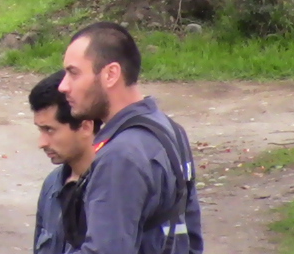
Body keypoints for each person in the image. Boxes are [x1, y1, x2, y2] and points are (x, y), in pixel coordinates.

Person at [58, 22, 204, 254]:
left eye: (73, 73)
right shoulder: (172, 130)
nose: (63, 86)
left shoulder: (120, 156)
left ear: (110, 74)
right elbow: (192, 237)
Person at [29, 70, 97, 254]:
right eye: (40, 130)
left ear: (85, 126)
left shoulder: (113, 190)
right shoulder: (52, 185)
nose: (42, 143)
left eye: (49, 130)